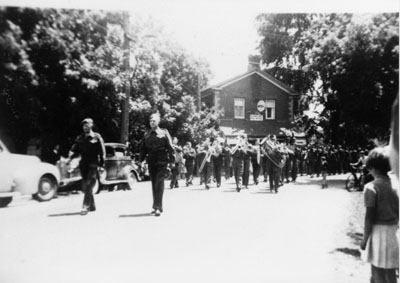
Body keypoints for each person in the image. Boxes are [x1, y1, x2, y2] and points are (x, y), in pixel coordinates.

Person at [360, 147, 399, 283]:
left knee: (377, 271)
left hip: (378, 233)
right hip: (394, 233)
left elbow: (369, 217)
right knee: (390, 272)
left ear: (373, 168)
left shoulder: (371, 187)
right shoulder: (396, 185)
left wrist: (365, 239)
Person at [66, 118, 105, 215]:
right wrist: (69, 159)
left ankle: (85, 207)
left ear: (91, 126)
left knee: (88, 184)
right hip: (83, 164)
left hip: (93, 163)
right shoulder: (80, 138)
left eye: (86, 125)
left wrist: (101, 164)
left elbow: (102, 151)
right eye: (83, 126)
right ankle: (92, 206)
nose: (85, 127)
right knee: (87, 186)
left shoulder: (97, 136)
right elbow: (74, 149)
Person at [139, 113, 175, 216]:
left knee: (159, 182)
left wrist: (171, 162)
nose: (152, 122)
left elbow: (170, 148)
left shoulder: (164, 132)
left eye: (154, 120)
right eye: (150, 121)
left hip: (162, 161)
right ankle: (158, 205)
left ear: (158, 122)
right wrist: (140, 161)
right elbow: (143, 149)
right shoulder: (147, 135)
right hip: (151, 162)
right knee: (154, 183)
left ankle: (157, 207)